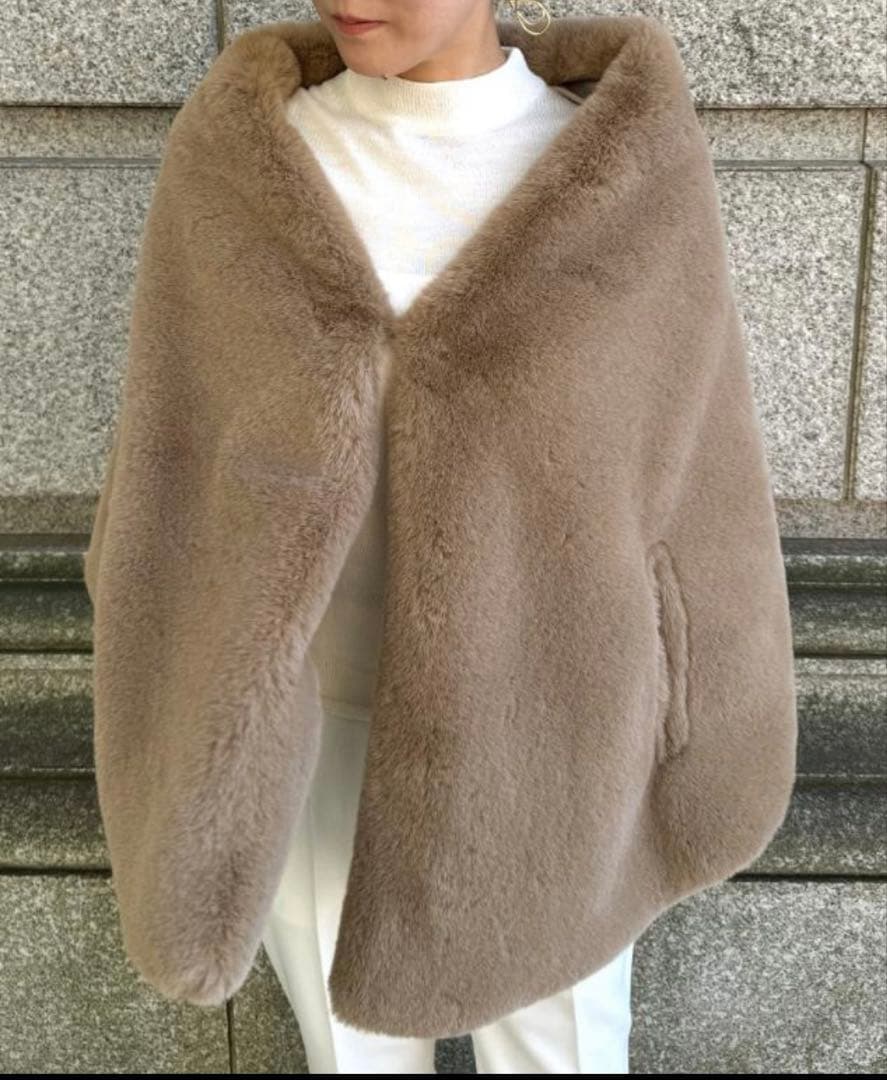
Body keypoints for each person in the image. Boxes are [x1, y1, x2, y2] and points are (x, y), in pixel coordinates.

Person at [257, 0, 636, 1072]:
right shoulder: (253, 158)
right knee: (353, 1058)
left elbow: (683, 464)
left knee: (562, 1054)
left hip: (550, 711)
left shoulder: (610, 158)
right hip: (312, 714)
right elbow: (178, 449)